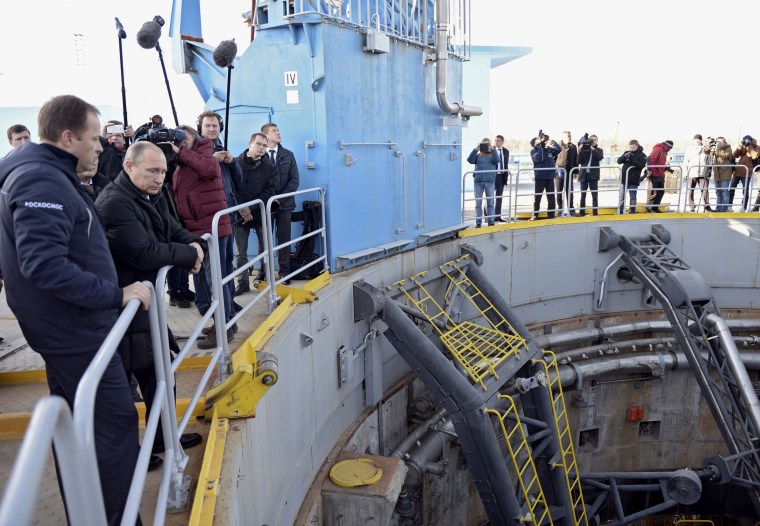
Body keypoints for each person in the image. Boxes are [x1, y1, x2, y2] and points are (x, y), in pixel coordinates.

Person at [0, 94, 151, 525]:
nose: (101, 147)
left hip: (70, 331)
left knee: (81, 430)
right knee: (111, 431)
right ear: (68, 138)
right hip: (76, 333)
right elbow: (43, 265)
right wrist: (115, 295)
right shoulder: (40, 182)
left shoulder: (43, 175)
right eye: (93, 138)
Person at [96, 141, 206, 472]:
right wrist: (189, 255)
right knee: (126, 388)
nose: (160, 178)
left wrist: (193, 244)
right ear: (129, 166)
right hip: (123, 311)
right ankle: (131, 457)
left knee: (160, 373)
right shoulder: (116, 204)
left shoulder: (146, 196)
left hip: (144, 306)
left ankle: (162, 437)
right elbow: (144, 252)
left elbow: (171, 230)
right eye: (153, 171)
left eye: (163, 171)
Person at [170, 125, 237, 349]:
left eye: (183, 139)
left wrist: (182, 152)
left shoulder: (205, 153)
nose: (180, 143)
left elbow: (209, 169)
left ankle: (224, 327)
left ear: (194, 139)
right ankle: (226, 323)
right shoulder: (184, 163)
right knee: (210, 280)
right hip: (198, 229)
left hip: (211, 229)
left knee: (214, 281)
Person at [197, 111, 240, 304]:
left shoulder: (224, 148)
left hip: (227, 213)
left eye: (215, 125)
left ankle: (229, 300)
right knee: (208, 264)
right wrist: (211, 160)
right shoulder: (196, 151)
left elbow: (239, 180)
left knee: (227, 261)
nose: (212, 129)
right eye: (207, 125)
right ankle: (206, 304)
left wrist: (232, 163)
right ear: (200, 128)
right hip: (209, 217)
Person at [234, 132, 278, 291]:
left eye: (265, 146)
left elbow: (270, 191)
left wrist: (250, 207)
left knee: (265, 247)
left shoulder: (270, 168)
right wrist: (241, 208)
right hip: (240, 214)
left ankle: (264, 277)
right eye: (259, 144)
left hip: (260, 212)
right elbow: (232, 188)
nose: (262, 148)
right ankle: (243, 283)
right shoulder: (236, 163)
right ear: (250, 143)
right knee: (241, 252)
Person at [262, 123, 300, 284]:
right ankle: (263, 273)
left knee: (284, 239)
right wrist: (268, 199)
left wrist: (280, 198)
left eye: (278, 130)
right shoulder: (260, 155)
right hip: (265, 206)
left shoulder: (288, 155)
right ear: (266, 136)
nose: (278, 133)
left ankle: (284, 272)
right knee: (265, 240)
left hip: (284, 206)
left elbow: (294, 180)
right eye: (274, 131)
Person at [466, 138, 499, 227]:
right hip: (478, 181)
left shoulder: (493, 155)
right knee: (478, 203)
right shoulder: (477, 156)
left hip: (490, 181)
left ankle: (491, 221)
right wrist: (476, 149)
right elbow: (469, 160)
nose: (484, 146)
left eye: (486, 144)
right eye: (483, 144)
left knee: (490, 202)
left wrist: (492, 148)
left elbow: (497, 160)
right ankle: (478, 222)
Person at [528, 133, 561, 220]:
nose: (540, 141)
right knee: (538, 197)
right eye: (537, 141)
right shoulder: (533, 152)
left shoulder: (548, 150)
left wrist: (552, 142)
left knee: (551, 197)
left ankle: (551, 215)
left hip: (550, 177)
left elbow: (559, 149)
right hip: (540, 177)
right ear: (534, 144)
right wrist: (540, 146)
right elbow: (541, 158)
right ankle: (535, 215)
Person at [576, 134, 604, 216]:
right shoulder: (585, 149)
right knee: (583, 195)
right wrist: (581, 149)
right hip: (584, 175)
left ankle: (595, 213)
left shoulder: (599, 150)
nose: (593, 141)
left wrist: (592, 148)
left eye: (595, 140)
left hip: (593, 176)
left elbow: (600, 157)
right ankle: (582, 213)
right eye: (592, 140)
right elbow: (578, 161)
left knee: (594, 195)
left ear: (597, 141)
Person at [617, 140, 647, 214]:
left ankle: (632, 210)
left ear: (637, 146)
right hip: (624, 178)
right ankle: (620, 210)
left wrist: (632, 159)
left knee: (632, 195)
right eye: (630, 147)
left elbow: (641, 165)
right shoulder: (627, 152)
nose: (631, 149)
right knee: (622, 195)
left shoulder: (642, 155)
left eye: (633, 147)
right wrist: (625, 156)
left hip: (634, 179)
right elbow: (619, 161)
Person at [684, 134, 712, 212]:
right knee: (690, 191)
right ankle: (691, 206)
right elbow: (685, 162)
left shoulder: (705, 149)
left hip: (702, 173)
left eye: (699, 139)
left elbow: (709, 161)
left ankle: (706, 205)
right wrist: (685, 173)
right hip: (692, 173)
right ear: (693, 140)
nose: (698, 141)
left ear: (701, 141)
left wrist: (709, 171)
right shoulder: (689, 149)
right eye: (696, 139)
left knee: (705, 190)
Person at [731, 135, 759, 212]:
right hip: (737, 172)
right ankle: (730, 205)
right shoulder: (742, 147)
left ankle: (744, 206)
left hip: (747, 172)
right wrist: (739, 147)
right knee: (732, 188)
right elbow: (734, 155)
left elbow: (755, 156)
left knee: (745, 190)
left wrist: (749, 146)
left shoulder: (756, 147)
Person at [646, 140, 674, 213]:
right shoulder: (659, 149)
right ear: (667, 146)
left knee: (661, 192)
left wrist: (667, 168)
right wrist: (650, 170)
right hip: (654, 174)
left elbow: (660, 163)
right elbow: (651, 159)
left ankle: (655, 208)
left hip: (660, 174)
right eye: (670, 147)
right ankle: (649, 208)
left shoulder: (664, 152)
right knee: (653, 192)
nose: (670, 149)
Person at [555, 130, 578, 215]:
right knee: (559, 191)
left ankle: (571, 209)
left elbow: (576, 160)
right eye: (568, 136)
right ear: (563, 137)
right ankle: (560, 209)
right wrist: (556, 168)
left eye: (570, 136)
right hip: (559, 172)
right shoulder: (557, 146)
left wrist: (576, 172)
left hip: (569, 172)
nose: (569, 138)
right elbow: (553, 159)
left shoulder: (573, 147)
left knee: (570, 191)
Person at [709, 137, 734, 212]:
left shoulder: (728, 148)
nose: (718, 143)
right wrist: (709, 146)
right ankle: (718, 208)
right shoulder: (715, 148)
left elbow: (724, 156)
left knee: (725, 192)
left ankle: (724, 209)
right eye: (717, 142)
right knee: (718, 193)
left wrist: (717, 148)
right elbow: (706, 152)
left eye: (720, 142)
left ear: (724, 142)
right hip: (717, 174)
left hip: (725, 173)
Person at [492, 134, 510, 222]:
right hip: (493, 176)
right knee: (490, 196)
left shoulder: (506, 151)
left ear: (502, 142)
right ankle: (489, 216)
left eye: (498, 140)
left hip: (502, 176)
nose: (496, 142)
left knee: (499, 197)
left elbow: (506, 163)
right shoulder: (491, 150)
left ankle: (497, 216)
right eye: (495, 140)